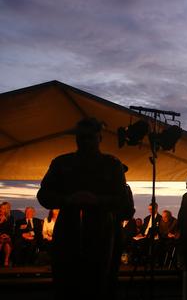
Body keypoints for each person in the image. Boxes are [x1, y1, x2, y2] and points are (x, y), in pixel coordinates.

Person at [37, 117, 131, 300]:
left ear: (99, 138)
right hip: (69, 233)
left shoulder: (112, 165)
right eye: (82, 137)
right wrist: (67, 200)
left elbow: (122, 200)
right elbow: (44, 195)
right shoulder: (62, 163)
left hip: (100, 233)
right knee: (66, 282)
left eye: (90, 137)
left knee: (100, 281)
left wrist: (96, 201)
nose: (86, 141)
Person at [0, 202, 14, 266]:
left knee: (7, 244)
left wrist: (7, 235)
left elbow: (11, 229)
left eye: (4, 208)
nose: (2, 209)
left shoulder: (10, 218)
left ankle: (6, 260)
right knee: (1, 242)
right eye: (1, 207)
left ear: (7, 209)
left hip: (7, 236)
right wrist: (1, 222)